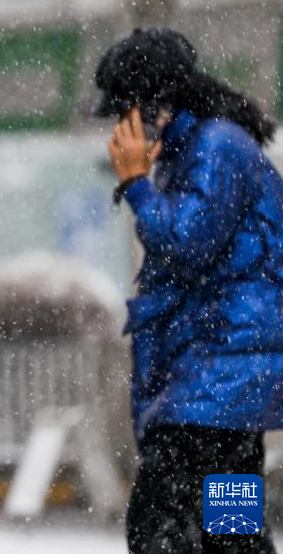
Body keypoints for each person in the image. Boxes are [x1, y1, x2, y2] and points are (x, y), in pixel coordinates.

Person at [97, 27, 283, 553]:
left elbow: (186, 245)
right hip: (224, 385)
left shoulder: (215, 148)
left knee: (163, 525)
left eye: (122, 111)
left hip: (215, 385)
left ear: (153, 105)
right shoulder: (201, 149)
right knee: (230, 533)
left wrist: (134, 182)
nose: (118, 127)